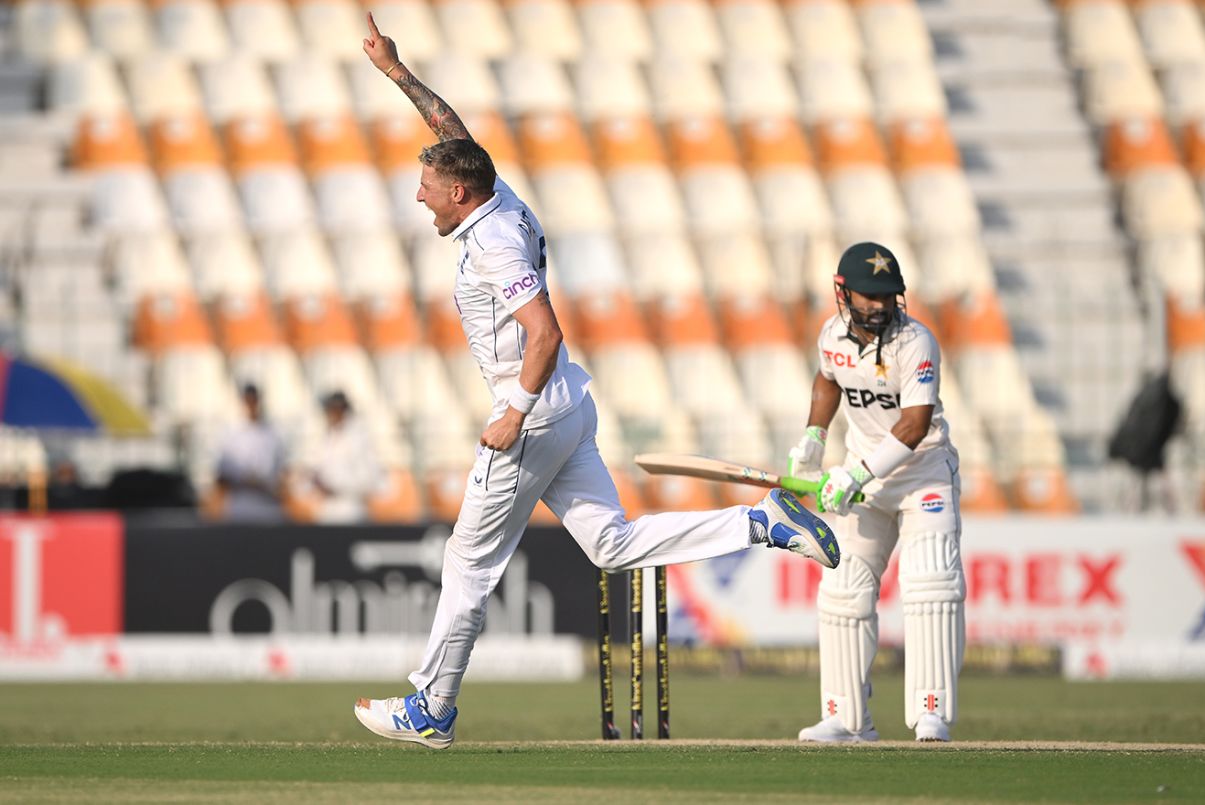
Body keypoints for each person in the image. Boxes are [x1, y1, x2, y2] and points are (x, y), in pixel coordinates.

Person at [354, 13, 841, 749]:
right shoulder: (494, 194)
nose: (419, 195)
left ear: (458, 193)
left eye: (427, 185)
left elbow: (546, 332)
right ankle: (759, 520)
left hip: (537, 410)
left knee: (468, 562)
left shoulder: (492, 242)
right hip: (569, 408)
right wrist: (396, 72)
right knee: (611, 544)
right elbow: (453, 130)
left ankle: (431, 706)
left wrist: (512, 413)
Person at [787, 242, 965, 743]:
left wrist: (856, 473)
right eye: (869, 296)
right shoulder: (831, 336)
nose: (880, 306)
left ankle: (932, 712)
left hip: (923, 474)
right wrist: (814, 438)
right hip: (863, 476)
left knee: (931, 583)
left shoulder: (916, 343)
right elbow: (828, 382)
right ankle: (846, 719)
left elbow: (914, 425)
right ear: (843, 293)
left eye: (888, 296)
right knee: (843, 588)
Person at [306, 390, 384, 524]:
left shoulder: (360, 439)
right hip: (329, 513)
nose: (328, 415)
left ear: (342, 410)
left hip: (352, 513)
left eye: (332, 410)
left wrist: (335, 487)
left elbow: (370, 480)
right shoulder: (327, 439)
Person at [213, 383, 287, 523]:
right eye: (248, 400)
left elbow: (281, 477)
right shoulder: (231, 435)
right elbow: (223, 477)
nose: (251, 405)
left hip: (268, 507)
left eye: (254, 400)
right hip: (240, 507)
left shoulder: (273, 435)